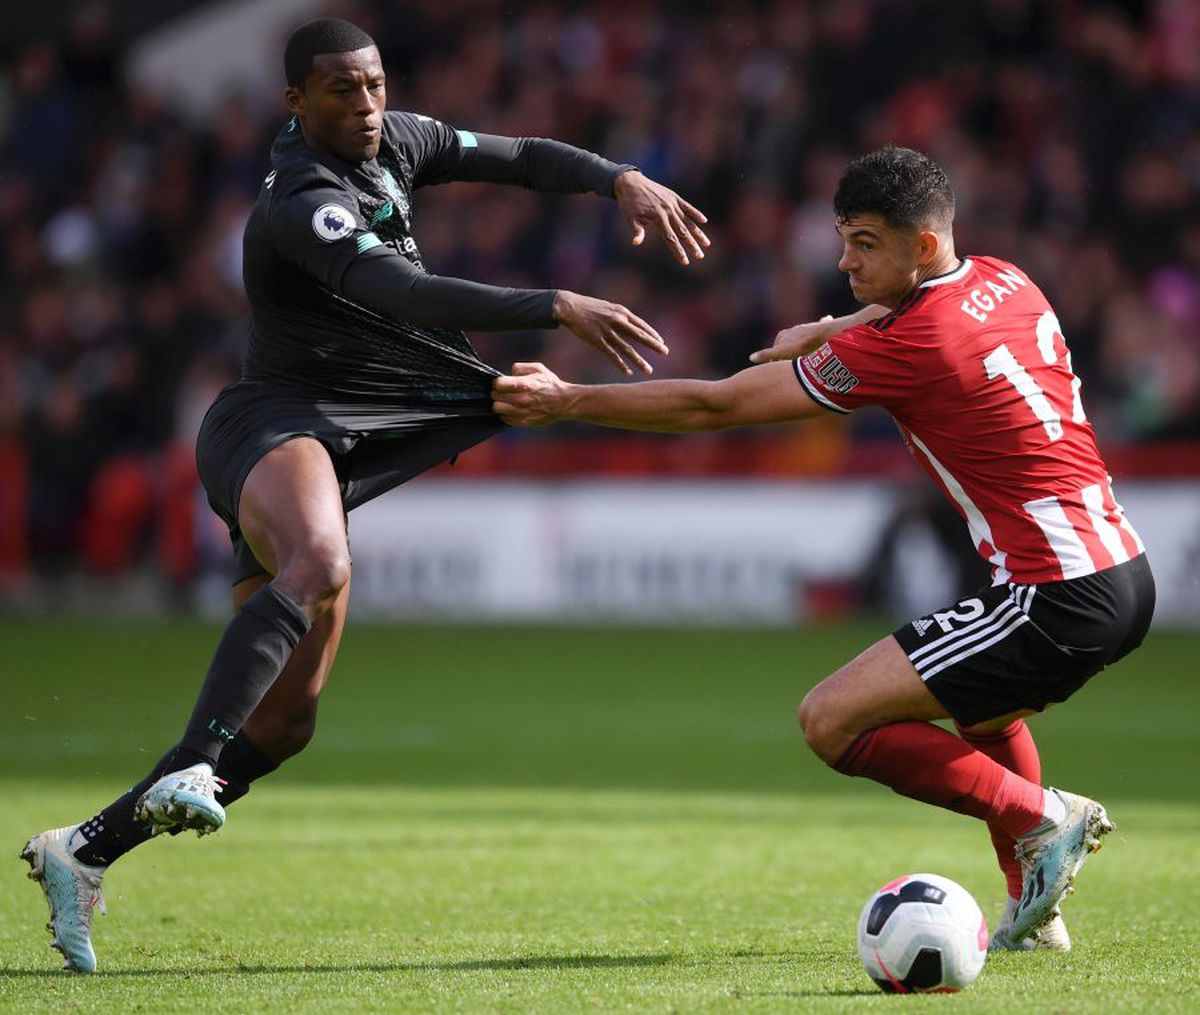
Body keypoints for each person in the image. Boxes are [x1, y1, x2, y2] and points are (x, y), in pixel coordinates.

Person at [21, 17, 710, 974]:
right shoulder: (301, 199)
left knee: (285, 722)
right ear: (296, 101)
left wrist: (616, 176)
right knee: (320, 560)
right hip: (271, 424)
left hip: (338, 441)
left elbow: (518, 156)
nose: (367, 105)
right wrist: (552, 305)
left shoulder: (402, 141)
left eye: (375, 84)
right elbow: (403, 293)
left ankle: (84, 849)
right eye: (342, 90)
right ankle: (194, 761)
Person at [493, 145, 1155, 953]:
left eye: (865, 243)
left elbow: (715, 407)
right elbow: (930, 312)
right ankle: (1033, 905)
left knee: (831, 720)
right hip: (1123, 571)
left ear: (922, 244)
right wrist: (833, 326)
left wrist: (568, 399)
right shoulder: (1007, 278)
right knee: (986, 710)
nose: (845, 262)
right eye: (844, 240)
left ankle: (1045, 817)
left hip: (1054, 593)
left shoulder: (907, 346)